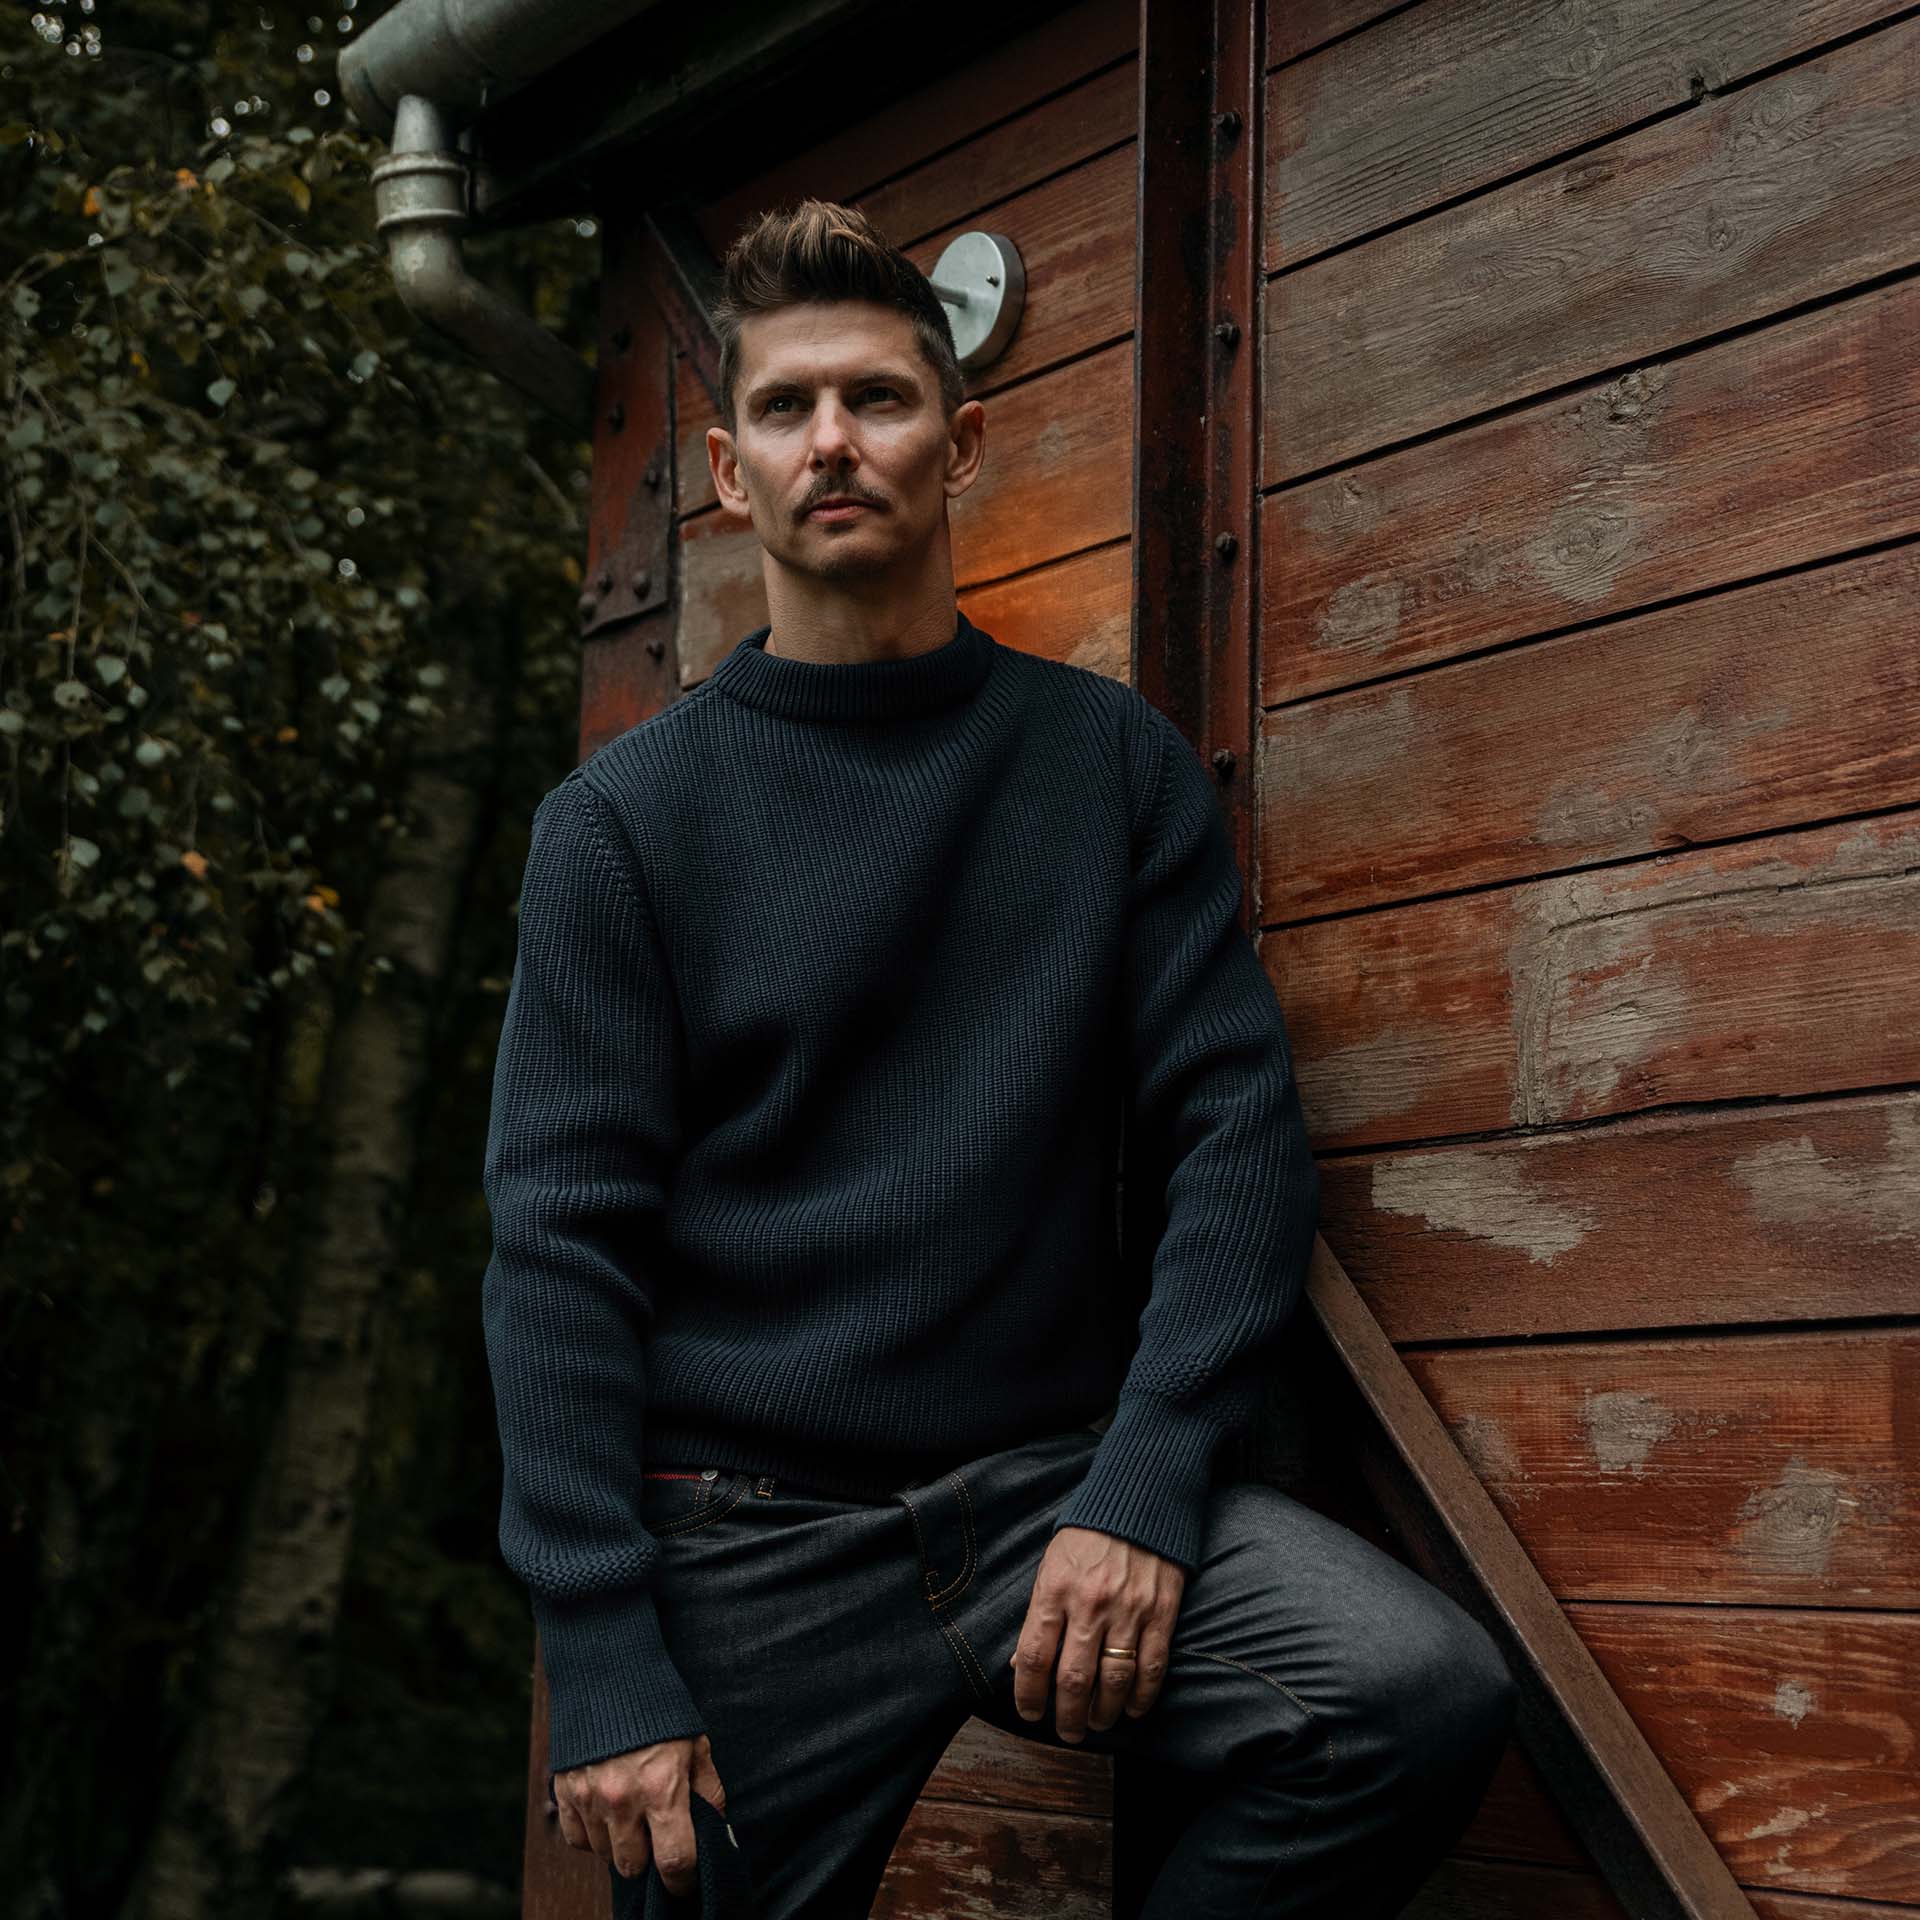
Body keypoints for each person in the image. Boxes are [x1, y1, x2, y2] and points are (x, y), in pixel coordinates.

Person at [480, 197, 1517, 1919]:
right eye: (786, 408)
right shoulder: (622, 830)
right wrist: (600, 1651)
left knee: (1401, 1695)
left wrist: (1147, 1476)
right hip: (746, 1537)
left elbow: (1236, 1139)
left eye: (878, 400)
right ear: (729, 474)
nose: (834, 443)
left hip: (1047, 1493)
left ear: (957, 443)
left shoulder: (1107, 771)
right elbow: (556, 1259)